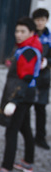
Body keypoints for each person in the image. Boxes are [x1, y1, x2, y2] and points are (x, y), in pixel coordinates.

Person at [0, 17, 42, 172]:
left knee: (12, 130)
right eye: (17, 31)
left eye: (23, 31)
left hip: (21, 95)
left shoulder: (28, 51)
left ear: (31, 33)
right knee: (24, 128)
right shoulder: (27, 48)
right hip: (27, 94)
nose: (18, 34)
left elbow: (26, 77)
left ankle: (5, 169)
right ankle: (28, 162)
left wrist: (14, 101)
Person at [32, 8, 50, 150]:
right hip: (28, 78)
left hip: (43, 78)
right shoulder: (29, 35)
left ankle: (40, 137)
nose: (39, 23)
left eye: (42, 20)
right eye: (37, 20)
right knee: (23, 108)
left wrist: (47, 62)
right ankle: (25, 134)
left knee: (41, 108)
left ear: (46, 21)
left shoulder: (49, 38)